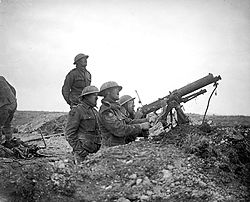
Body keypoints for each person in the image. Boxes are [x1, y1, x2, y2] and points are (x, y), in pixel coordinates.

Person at [98, 81, 150, 147]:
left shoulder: (115, 108)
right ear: (108, 92)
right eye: (116, 89)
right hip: (111, 148)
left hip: (119, 146)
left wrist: (146, 120)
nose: (118, 91)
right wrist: (140, 126)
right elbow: (118, 130)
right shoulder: (106, 110)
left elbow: (128, 122)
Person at [65, 85, 101, 163]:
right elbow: (69, 134)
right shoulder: (77, 111)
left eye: (97, 95)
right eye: (94, 95)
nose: (97, 98)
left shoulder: (95, 112)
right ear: (86, 97)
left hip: (95, 152)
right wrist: (81, 151)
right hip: (82, 154)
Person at [0, 76, 17, 144]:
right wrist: (12, 101)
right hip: (13, 104)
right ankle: (9, 141)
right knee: (7, 125)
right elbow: (13, 89)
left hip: (4, 106)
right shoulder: (1, 78)